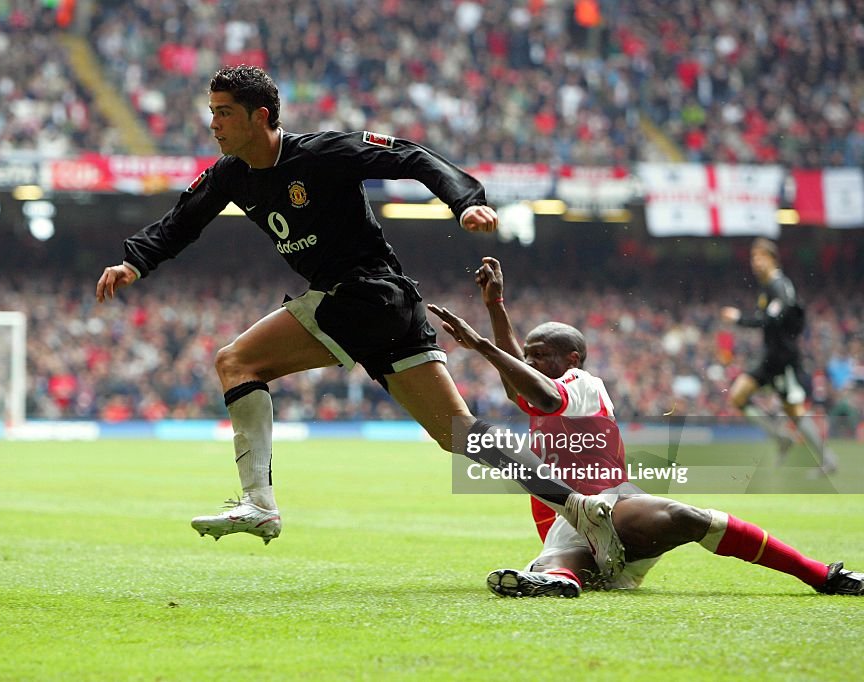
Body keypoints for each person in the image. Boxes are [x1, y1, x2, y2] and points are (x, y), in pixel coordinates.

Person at [95, 64, 625, 578]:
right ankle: (581, 507)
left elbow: (410, 156)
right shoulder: (232, 174)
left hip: (364, 294)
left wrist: (464, 202)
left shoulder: (323, 152)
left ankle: (259, 503)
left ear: (261, 117)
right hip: (388, 305)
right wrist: (133, 262)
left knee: (235, 361)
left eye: (225, 113)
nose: (214, 124)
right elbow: (183, 220)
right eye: (211, 111)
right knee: (459, 433)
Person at [428, 257, 863, 598]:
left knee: (691, 518)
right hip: (564, 517)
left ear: (572, 360)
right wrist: (494, 307)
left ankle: (821, 575)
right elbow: (518, 379)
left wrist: (483, 345)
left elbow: (536, 390)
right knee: (564, 558)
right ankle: (557, 579)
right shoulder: (543, 385)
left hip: (611, 505)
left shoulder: (582, 385)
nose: (532, 362)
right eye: (529, 354)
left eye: (540, 355)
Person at [720, 237, 838, 474]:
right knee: (737, 396)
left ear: (772, 259)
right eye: (753, 258)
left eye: (759, 257)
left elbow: (775, 319)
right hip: (770, 357)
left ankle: (828, 460)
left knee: (794, 411)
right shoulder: (769, 287)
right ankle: (781, 437)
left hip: (783, 359)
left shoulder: (780, 285)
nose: (755, 262)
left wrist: (739, 319)